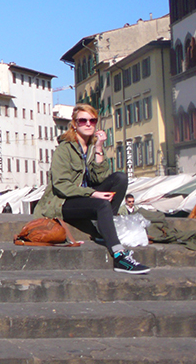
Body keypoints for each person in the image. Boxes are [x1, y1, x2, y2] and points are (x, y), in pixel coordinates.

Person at [34, 103, 149, 275]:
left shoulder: (90, 148)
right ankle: (119, 256)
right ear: (74, 124)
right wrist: (93, 193)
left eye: (92, 120)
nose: (88, 124)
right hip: (61, 202)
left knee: (120, 178)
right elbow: (61, 185)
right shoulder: (64, 149)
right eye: (83, 120)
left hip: (84, 197)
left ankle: (103, 228)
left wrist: (99, 148)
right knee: (101, 204)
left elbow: (99, 178)